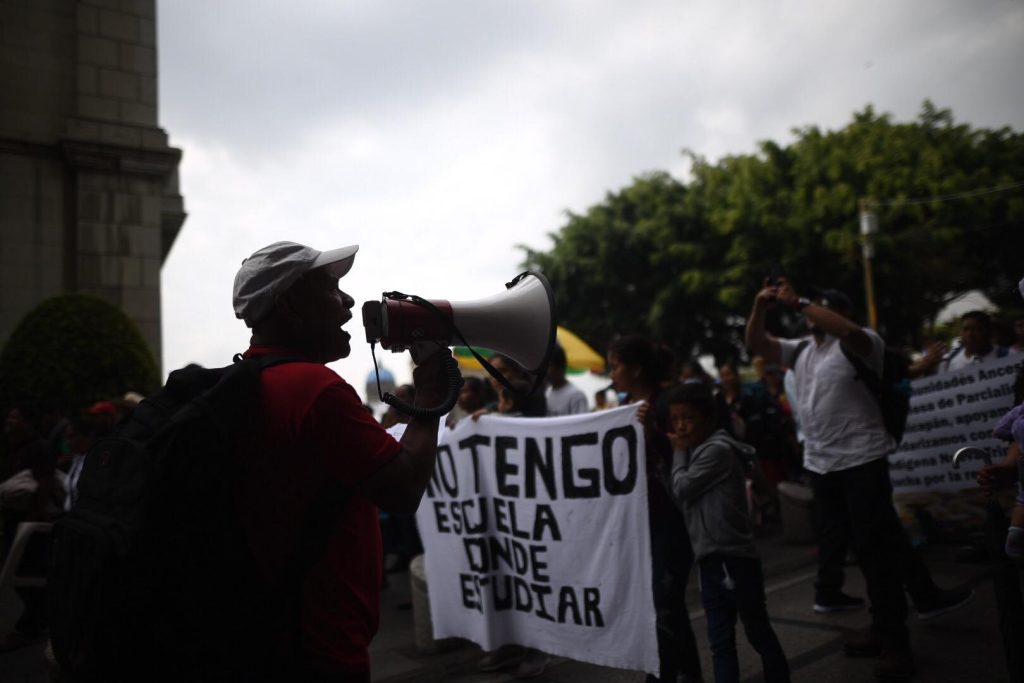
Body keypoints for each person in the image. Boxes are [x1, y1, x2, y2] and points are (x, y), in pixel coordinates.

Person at [230, 240, 457, 681]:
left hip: (269, 630)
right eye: (332, 287)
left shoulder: (250, 381)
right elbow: (404, 487)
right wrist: (430, 393)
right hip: (320, 647)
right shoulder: (316, 390)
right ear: (292, 304)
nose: (349, 300)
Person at [746, 279, 918, 679]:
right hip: (823, 465)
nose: (810, 314)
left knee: (877, 554)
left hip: (862, 460)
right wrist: (759, 308)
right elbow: (758, 344)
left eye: (821, 308)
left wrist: (800, 301)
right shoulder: (802, 350)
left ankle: (897, 644)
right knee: (852, 547)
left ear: (838, 313)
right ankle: (878, 628)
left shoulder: (861, 343)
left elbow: (846, 329)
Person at [666, 382, 790, 683]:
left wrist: (678, 454)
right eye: (676, 419)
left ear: (708, 420)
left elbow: (681, 488)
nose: (681, 426)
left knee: (755, 632)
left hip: (732, 559)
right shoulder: (702, 450)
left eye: (688, 418)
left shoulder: (716, 452)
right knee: (721, 642)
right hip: (712, 559)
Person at [608, 335, 703, 683]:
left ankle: (670, 673)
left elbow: (684, 460)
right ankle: (678, 671)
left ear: (635, 369)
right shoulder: (625, 407)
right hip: (641, 521)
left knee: (665, 600)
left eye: (616, 366)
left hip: (671, 518)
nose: (611, 373)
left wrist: (652, 436)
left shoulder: (666, 406)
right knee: (660, 604)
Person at [0, 403, 63, 651]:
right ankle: (38, 621)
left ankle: (33, 625)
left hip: (29, 522)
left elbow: (44, 484)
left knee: (24, 573)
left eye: (15, 417)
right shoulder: (17, 448)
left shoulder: (40, 448)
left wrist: (34, 519)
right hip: (16, 519)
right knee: (20, 574)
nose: (10, 421)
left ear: (28, 422)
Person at [939, 310, 1009, 373]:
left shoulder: (1008, 356)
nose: (970, 334)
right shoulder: (947, 362)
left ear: (988, 331)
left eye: (976, 329)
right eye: (965, 329)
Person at [544, 344, 589, 416]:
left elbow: (582, 425)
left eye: (549, 366)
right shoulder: (548, 392)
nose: (545, 371)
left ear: (560, 367)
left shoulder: (576, 396)